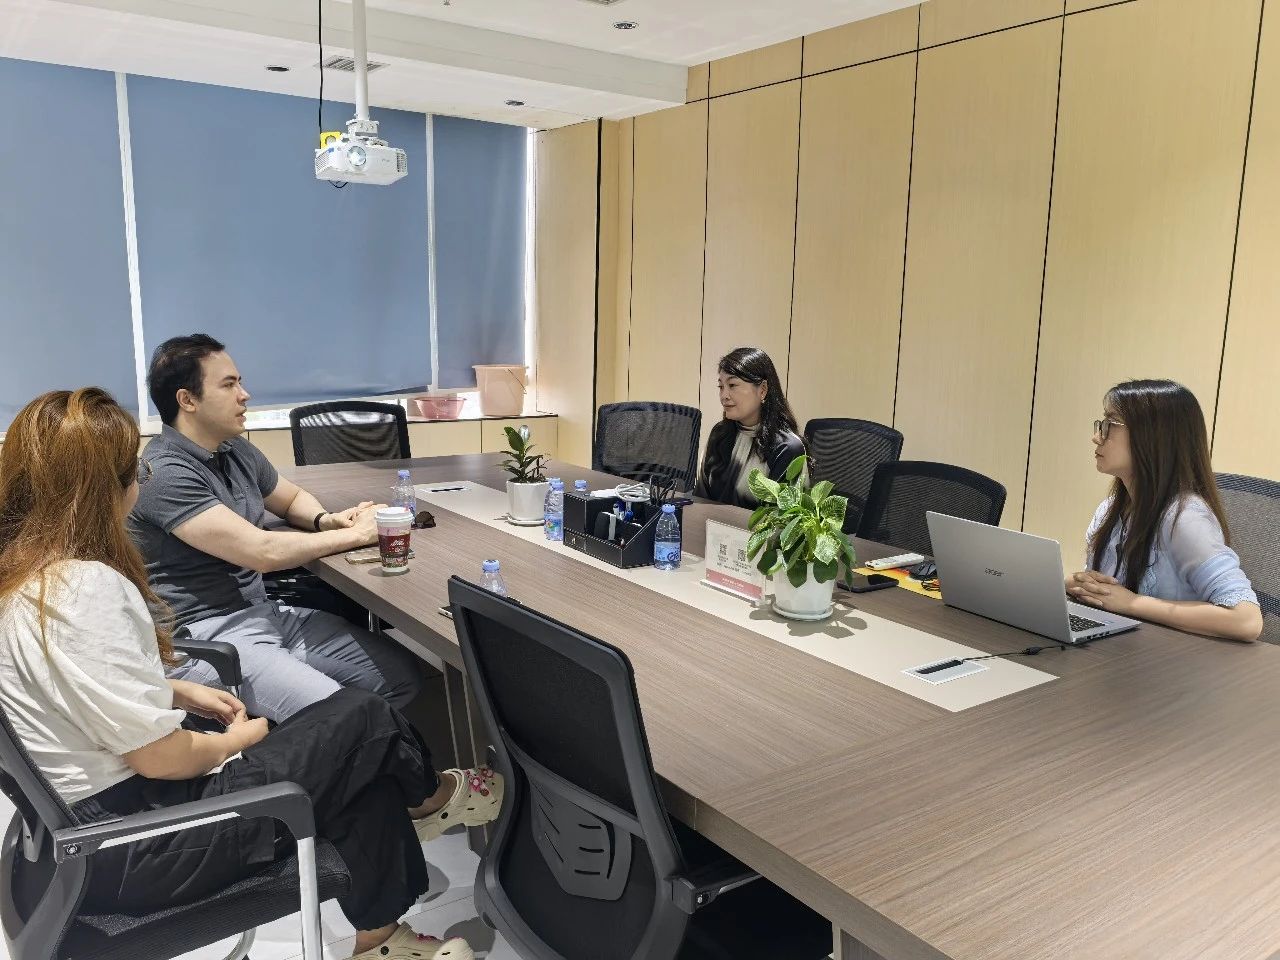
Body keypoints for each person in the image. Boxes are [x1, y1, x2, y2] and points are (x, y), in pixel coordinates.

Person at [0, 388, 503, 959]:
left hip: (88, 837)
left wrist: (170, 689)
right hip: (143, 843)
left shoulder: (26, 578)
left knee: (354, 759)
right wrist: (241, 739)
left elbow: (64, 682)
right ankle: (434, 798)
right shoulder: (85, 588)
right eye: (133, 471)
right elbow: (162, 758)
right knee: (364, 719)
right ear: (104, 489)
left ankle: (383, 941)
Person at [129, 334, 425, 721]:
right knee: (347, 716)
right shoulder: (163, 471)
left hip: (263, 614)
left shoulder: (234, 449)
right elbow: (261, 553)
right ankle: (320, 744)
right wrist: (358, 534)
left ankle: (334, 748)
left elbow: (290, 498)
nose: (245, 395)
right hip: (206, 637)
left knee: (400, 678)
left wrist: (326, 520)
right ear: (188, 400)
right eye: (229, 385)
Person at [1067, 379, 1262, 642]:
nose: (1096, 436)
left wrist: (1132, 604)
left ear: (1154, 436)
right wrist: (1077, 585)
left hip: (1176, 659)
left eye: (1111, 424)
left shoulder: (1184, 518)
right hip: (1125, 650)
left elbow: (1246, 620)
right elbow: (1105, 592)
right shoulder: (1110, 510)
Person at [696, 347, 806, 508]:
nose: (724, 396)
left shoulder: (787, 448)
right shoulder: (719, 434)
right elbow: (700, 498)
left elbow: (783, 518)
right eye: (721, 387)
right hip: (708, 524)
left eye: (732, 385)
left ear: (762, 390)